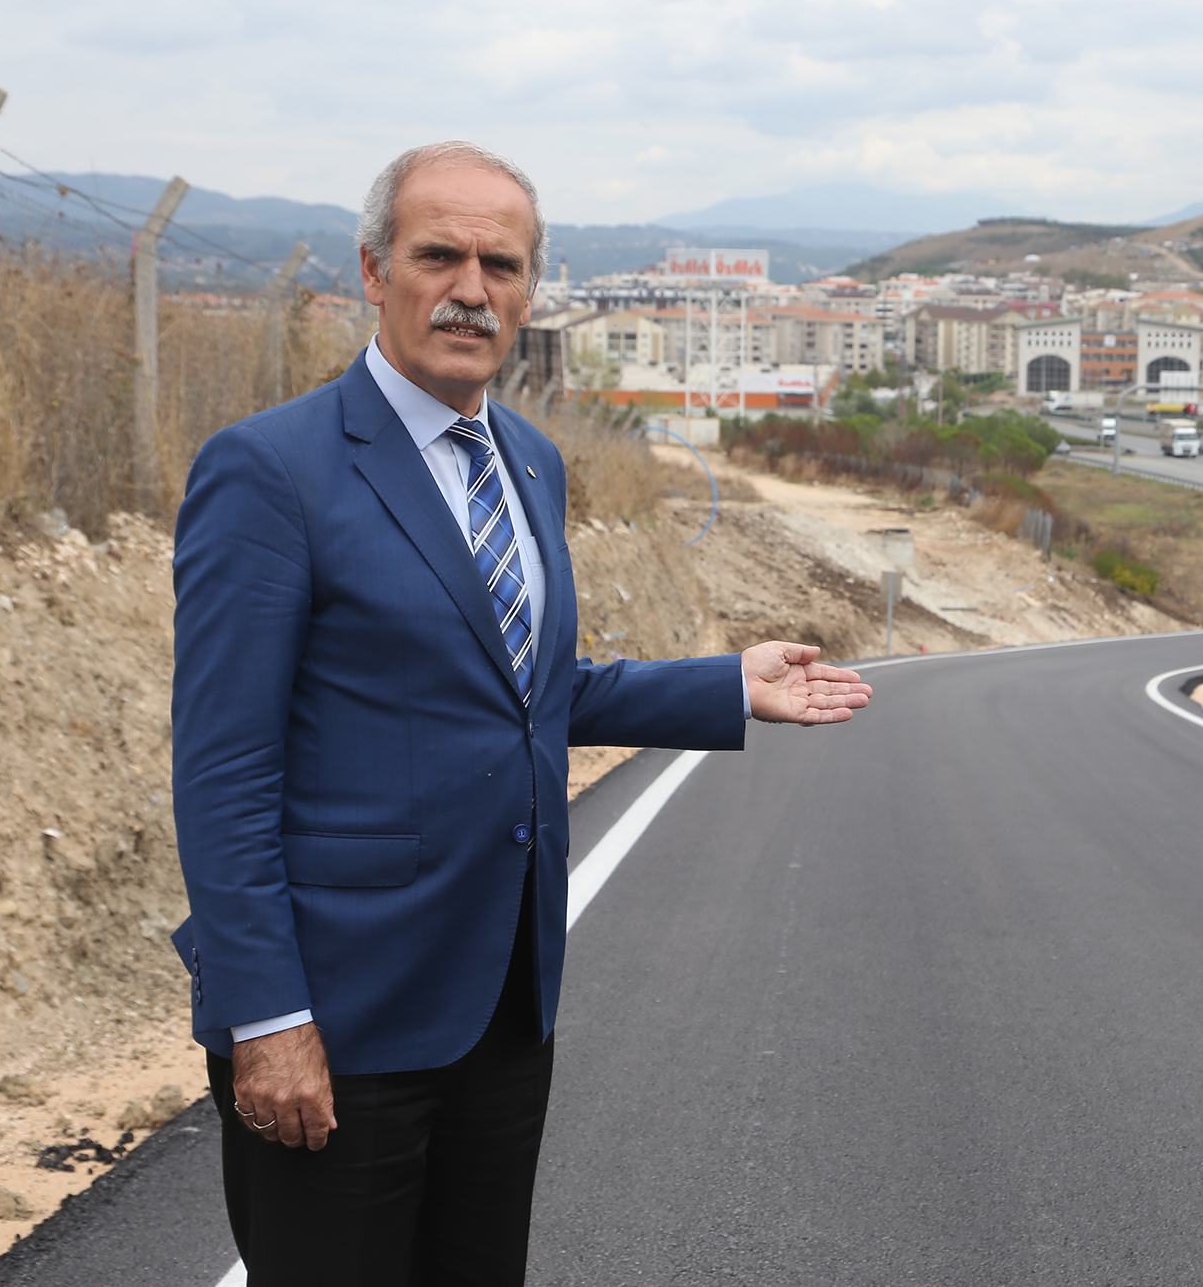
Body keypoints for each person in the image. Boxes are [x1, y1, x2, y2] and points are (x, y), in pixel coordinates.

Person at [170, 140, 872, 1286]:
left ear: (531, 290)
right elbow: (221, 771)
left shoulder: (531, 461)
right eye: (437, 256)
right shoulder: (271, 470)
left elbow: (529, 692)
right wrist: (267, 1018)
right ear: (373, 270)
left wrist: (724, 684)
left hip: (501, 1010)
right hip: (340, 1017)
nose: (470, 289)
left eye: (500, 264)